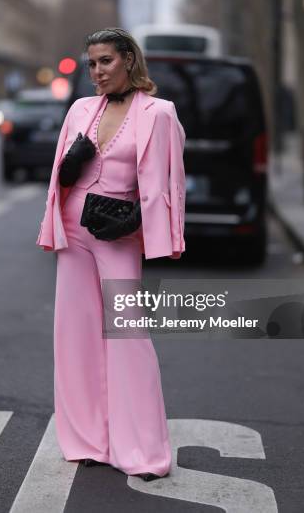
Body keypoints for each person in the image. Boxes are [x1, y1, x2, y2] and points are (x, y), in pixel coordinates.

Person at [36, 27, 186, 481]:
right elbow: (59, 176)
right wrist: (69, 167)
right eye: (91, 64)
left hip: (117, 234)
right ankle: (87, 441)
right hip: (73, 230)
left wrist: (140, 221)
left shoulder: (159, 113)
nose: (97, 72)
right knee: (75, 336)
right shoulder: (81, 109)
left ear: (128, 60)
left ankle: (144, 452)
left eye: (105, 61)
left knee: (127, 336)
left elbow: (167, 181)